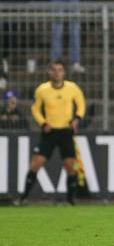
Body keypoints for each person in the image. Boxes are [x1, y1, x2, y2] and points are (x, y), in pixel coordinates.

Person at [16, 62, 85, 205]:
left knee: (70, 166)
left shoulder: (72, 88)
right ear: (49, 72)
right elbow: (35, 109)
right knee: (36, 164)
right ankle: (23, 198)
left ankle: (71, 200)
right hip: (50, 131)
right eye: (53, 70)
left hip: (66, 131)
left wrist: (77, 119)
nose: (57, 73)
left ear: (64, 72)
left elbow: (81, 104)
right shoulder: (42, 90)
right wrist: (43, 123)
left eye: (59, 70)